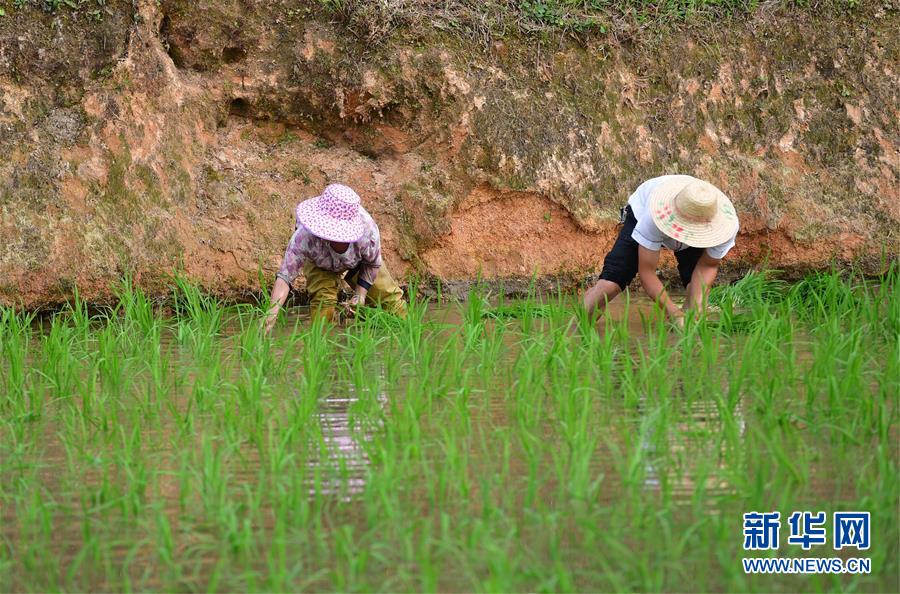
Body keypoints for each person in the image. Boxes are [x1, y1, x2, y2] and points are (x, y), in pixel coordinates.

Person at [583, 175, 739, 327]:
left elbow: (708, 266)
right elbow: (647, 273)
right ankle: (575, 326)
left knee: (695, 292)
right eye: (687, 227)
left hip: (700, 220)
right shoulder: (652, 217)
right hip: (644, 213)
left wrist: (696, 307)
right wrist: (673, 313)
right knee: (611, 285)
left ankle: (685, 334)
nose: (687, 233)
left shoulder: (726, 228)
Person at [264, 183, 406, 332]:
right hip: (320, 263)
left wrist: (360, 296)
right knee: (323, 304)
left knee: (392, 302)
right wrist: (271, 314)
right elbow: (285, 276)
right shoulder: (305, 237)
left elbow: (372, 264)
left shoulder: (367, 233)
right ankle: (322, 350)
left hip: (360, 262)